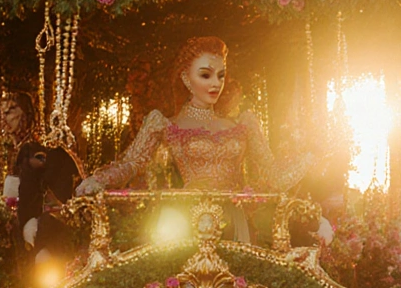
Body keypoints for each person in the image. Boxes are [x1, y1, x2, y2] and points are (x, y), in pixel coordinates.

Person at [76, 37, 311, 197]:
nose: (216, 84)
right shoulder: (165, 124)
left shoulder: (244, 123)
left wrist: (311, 158)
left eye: (220, 75)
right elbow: (131, 163)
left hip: (237, 221)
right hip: (190, 222)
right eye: (206, 75)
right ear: (187, 79)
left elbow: (275, 178)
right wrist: (100, 181)